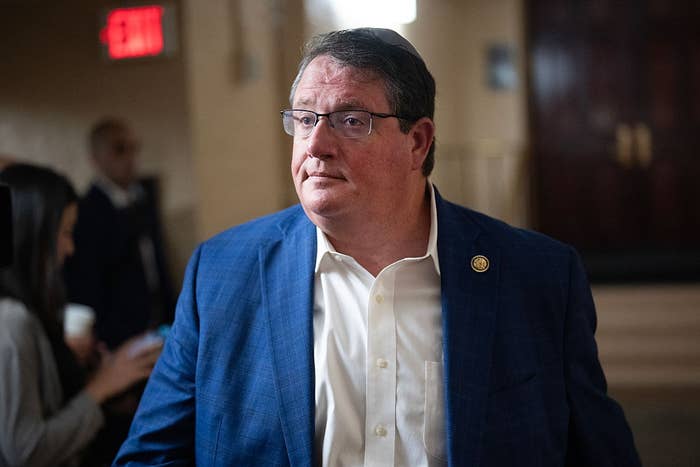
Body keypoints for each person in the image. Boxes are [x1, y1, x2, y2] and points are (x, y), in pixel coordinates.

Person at [114, 28, 641, 466]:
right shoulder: (222, 273)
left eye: (351, 120)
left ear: (418, 142)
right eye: (304, 118)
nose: (316, 145)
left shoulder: (537, 277)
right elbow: (150, 456)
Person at [0, 163, 160, 467]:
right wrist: (102, 386)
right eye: (65, 233)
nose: (70, 248)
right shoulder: (11, 320)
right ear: (31, 234)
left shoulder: (27, 310)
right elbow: (26, 452)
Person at [64, 117, 175, 350]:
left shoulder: (142, 199)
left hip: (159, 324)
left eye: (134, 148)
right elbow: (86, 282)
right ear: (95, 158)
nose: (130, 157)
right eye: (119, 149)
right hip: (117, 337)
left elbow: (156, 262)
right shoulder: (86, 212)